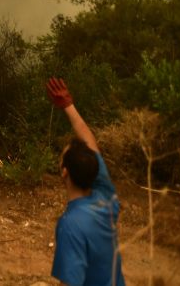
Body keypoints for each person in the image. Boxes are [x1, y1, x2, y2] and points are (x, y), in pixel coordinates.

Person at [46, 77, 125, 286]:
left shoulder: (71, 225)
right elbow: (89, 141)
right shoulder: (106, 198)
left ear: (65, 172)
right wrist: (67, 105)